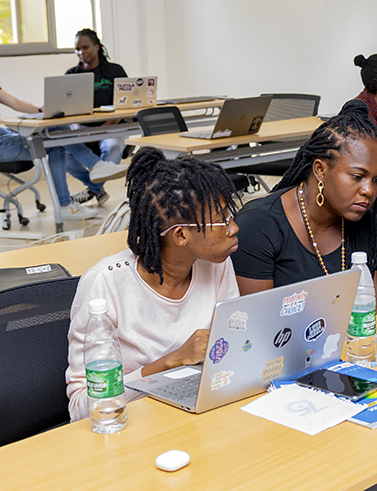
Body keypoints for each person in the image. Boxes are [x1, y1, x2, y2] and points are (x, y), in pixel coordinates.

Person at [66, 147, 241, 421]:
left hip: (199, 413)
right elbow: (80, 409)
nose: (233, 228)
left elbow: (233, 352)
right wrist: (169, 362)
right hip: (130, 426)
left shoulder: (216, 265)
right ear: (181, 235)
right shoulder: (105, 285)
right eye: (222, 221)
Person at [232, 100, 377, 297]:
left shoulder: (369, 228)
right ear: (320, 170)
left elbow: (370, 316)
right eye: (357, 177)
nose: (369, 190)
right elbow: (256, 321)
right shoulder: (258, 226)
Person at [0, 85, 96, 220]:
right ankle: (95, 167)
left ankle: (95, 166)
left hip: (3, 134)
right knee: (56, 142)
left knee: (57, 131)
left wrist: (41, 109)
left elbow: (15, 103)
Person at [65, 28, 129, 206]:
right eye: (77, 49)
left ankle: (92, 190)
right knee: (65, 156)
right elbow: (65, 109)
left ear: (97, 47)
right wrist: (77, 127)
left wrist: (101, 131)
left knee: (113, 147)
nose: (81, 52)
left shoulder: (115, 71)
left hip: (111, 126)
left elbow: (124, 105)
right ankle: (98, 190)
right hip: (82, 128)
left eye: (85, 47)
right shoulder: (71, 75)